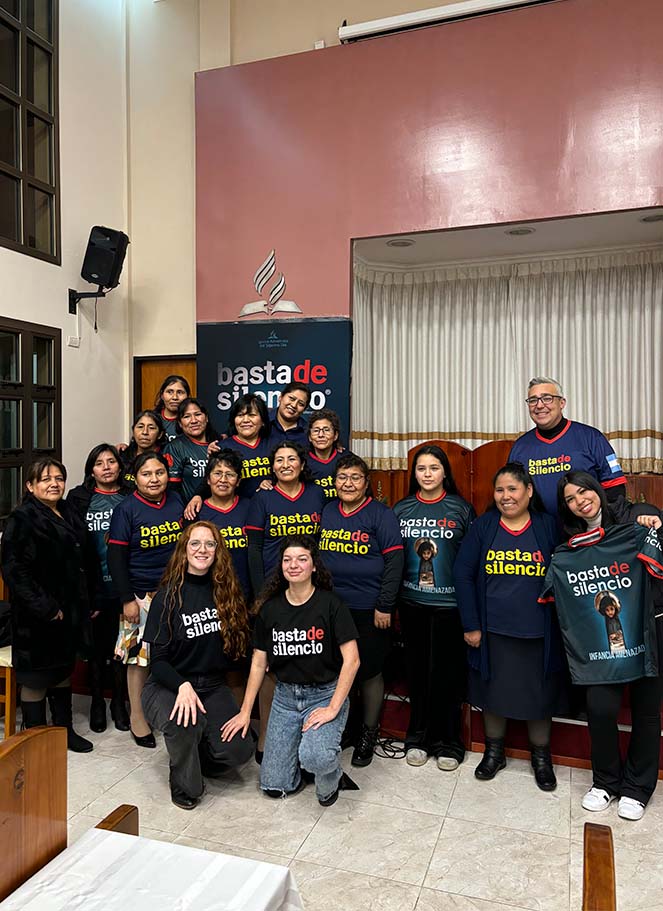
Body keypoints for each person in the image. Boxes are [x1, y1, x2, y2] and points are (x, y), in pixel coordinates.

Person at [546, 471, 663, 820]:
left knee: (646, 709)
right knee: (599, 707)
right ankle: (606, 782)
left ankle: (638, 788)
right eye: (570, 498)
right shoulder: (571, 541)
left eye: (584, 491)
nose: (580, 500)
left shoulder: (636, 515)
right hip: (599, 639)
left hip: (648, 627)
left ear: (597, 490)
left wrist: (656, 524)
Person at [221, 536, 360, 806]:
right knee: (274, 785)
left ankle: (330, 774)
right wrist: (245, 712)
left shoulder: (331, 604)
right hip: (285, 699)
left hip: (324, 694)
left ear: (314, 566)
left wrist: (332, 708)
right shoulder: (270, 609)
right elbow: (259, 663)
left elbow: (352, 661)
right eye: (287, 560)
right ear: (281, 566)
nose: (293, 565)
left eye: (301, 559)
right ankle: (304, 755)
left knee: (316, 758)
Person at [453, 462, 563, 790]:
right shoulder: (484, 526)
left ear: (529, 491)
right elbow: (463, 573)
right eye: (499, 490)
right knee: (492, 693)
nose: (505, 496)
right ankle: (494, 752)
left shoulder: (548, 526)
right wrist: (471, 624)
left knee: (539, 697)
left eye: (512, 489)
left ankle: (541, 758)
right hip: (492, 632)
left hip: (538, 633)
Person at [141, 521, 253, 809]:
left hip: (212, 686)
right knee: (184, 723)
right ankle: (183, 776)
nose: (202, 550)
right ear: (184, 549)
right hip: (168, 685)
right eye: (195, 543)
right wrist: (182, 686)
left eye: (209, 544)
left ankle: (191, 750)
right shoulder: (167, 596)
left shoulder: (226, 593)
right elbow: (159, 662)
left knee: (239, 749)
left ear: (217, 551)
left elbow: (238, 653)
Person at [1, 458, 94, 752]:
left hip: (69, 610)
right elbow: (16, 573)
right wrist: (47, 608)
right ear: (30, 485)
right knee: (37, 679)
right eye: (45, 479)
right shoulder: (22, 519)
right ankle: (36, 740)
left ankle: (63, 732)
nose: (54, 483)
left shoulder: (68, 510)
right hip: (37, 616)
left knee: (63, 671)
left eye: (58, 477)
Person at [393, 445, 476, 770]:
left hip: (450, 606)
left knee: (448, 676)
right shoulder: (401, 509)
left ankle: (449, 742)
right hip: (412, 604)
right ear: (414, 474)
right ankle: (417, 737)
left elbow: (471, 562)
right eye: (421, 469)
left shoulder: (461, 509)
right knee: (417, 674)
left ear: (445, 473)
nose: (427, 474)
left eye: (433, 468)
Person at [319, 453, 404, 767]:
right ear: (334, 482)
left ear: (367, 483)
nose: (348, 483)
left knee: (368, 672)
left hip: (369, 609)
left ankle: (369, 732)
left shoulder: (380, 514)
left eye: (355, 478)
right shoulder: (327, 511)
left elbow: (395, 562)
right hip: (331, 608)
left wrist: (385, 605)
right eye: (342, 478)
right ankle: (347, 728)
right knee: (340, 671)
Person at [108, 452, 183, 747]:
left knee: (171, 657)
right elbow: (116, 558)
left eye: (159, 473)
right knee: (138, 659)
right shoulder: (126, 509)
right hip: (139, 596)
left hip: (175, 593)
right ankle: (138, 720)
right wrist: (127, 599)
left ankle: (166, 713)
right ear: (135, 478)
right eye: (146, 474)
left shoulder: (176, 501)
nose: (154, 479)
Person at [67, 444, 131, 733]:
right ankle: (95, 701)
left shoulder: (130, 496)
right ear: (91, 469)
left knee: (121, 649)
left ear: (120, 465)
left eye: (111, 461)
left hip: (124, 586)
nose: (106, 467)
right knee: (95, 649)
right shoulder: (79, 499)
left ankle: (118, 701)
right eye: (99, 463)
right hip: (93, 587)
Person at [509, 377, 626, 517]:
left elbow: (615, 488)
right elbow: (513, 494)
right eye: (533, 400)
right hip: (540, 533)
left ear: (562, 403)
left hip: (587, 531)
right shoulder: (520, 447)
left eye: (547, 398)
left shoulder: (592, 437)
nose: (539, 406)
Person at [246, 441, 326, 594]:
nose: (285, 465)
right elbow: (254, 548)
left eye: (291, 459)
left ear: (302, 465)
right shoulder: (262, 497)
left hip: (312, 581)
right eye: (279, 460)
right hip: (273, 582)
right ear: (273, 468)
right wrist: (259, 592)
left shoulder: (317, 493)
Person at [197, 450, 251, 601]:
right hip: (209, 594)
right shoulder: (197, 512)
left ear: (238, 481)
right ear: (208, 479)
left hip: (245, 593)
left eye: (230, 474)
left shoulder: (251, 507)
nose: (223, 480)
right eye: (217, 473)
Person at [164, 398, 217, 505]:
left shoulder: (219, 443)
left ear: (206, 418)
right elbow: (172, 489)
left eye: (198, 414)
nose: (193, 420)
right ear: (179, 423)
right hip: (189, 511)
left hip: (218, 509)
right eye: (187, 416)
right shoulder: (175, 447)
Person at [307, 409, 347, 501]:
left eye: (326, 430)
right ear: (309, 436)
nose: (321, 435)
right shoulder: (301, 462)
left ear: (335, 435)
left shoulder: (347, 459)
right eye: (316, 431)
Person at [120, 410, 166, 488]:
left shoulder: (165, 456)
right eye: (140, 427)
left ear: (160, 435)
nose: (145, 432)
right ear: (133, 431)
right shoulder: (123, 455)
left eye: (151, 428)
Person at [268, 382, 310, 447]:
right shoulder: (262, 422)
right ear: (280, 397)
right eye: (292, 398)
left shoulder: (307, 432)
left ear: (304, 409)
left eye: (301, 404)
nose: (294, 405)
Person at [154, 374, 191, 442]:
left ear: (187, 396)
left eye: (180, 392)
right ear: (162, 395)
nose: (175, 397)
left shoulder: (193, 421)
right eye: (170, 392)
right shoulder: (153, 419)